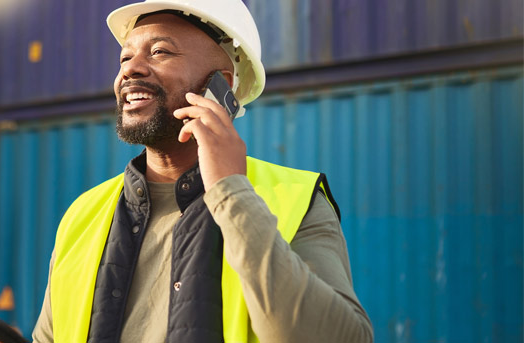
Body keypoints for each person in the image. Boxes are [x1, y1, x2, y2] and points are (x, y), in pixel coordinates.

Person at [30, 0, 374, 342]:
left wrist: (231, 192)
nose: (130, 69)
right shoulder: (84, 214)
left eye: (159, 52)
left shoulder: (294, 199)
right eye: (125, 57)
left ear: (219, 86)